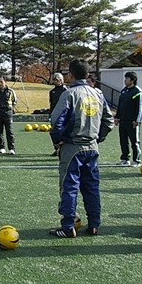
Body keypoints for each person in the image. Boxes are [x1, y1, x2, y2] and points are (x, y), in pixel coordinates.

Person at [49, 59, 114, 238]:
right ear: (87, 75)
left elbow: (56, 121)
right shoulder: (98, 94)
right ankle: (94, 224)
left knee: (69, 186)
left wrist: (58, 141)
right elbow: (109, 121)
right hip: (92, 147)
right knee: (91, 187)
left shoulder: (69, 94)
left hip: (73, 147)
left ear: (70, 75)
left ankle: (68, 226)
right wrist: (97, 137)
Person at [114, 71, 142, 166]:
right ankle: (125, 158)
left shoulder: (138, 92)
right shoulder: (124, 91)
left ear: (133, 80)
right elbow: (120, 105)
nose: (125, 80)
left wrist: (137, 120)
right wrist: (117, 117)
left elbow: (140, 107)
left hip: (132, 121)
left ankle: (136, 160)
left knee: (134, 141)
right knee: (123, 140)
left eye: (127, 78)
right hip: (123, 120)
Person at [0, 76, 17, 155]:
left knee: (10, 131)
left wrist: (10, 108)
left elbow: (15, 101)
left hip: (8, 114)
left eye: (1, 82)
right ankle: (1, 148)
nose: (0, 83)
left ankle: (11, 149)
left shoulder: (11, 91)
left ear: (5, 82)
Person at [48, 73, 68, 156]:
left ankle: (64, 150)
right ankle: (56, 149)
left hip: (64, 114)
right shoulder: (52, 91)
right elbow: (51, 104)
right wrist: (50, 114)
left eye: (57, 80)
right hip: (54, 114)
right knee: (53, 132)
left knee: (64, 133)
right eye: (54, 80)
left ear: (61, 80)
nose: (55, 81)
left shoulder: (65, 90)